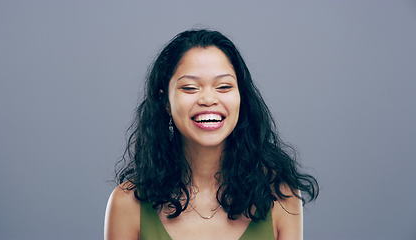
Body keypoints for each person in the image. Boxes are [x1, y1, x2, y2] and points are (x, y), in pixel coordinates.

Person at [104, 29, 319, 240]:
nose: (208, 99)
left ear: (241, 98)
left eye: (224, 86)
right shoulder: (127, 203)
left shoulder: (282, 197)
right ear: (165, 102)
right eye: (189, 88)